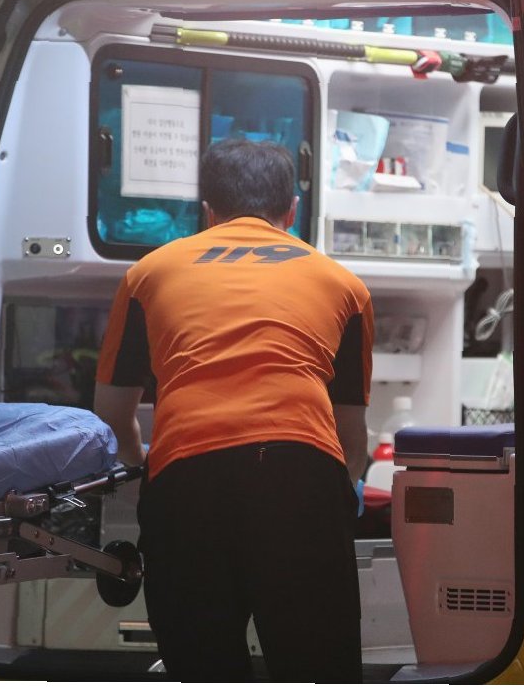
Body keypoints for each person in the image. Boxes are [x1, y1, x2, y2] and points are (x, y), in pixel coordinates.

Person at [93, 137, 372, 683]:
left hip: (190, 480)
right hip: (304, 476)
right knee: (319, 668)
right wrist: (342, 495)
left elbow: (111, 414)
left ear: (207, 212)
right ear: (292, 212)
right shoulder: (344, 284)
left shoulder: (148, 274)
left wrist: (145, 474)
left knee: (205, 666)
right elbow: (351, 436)